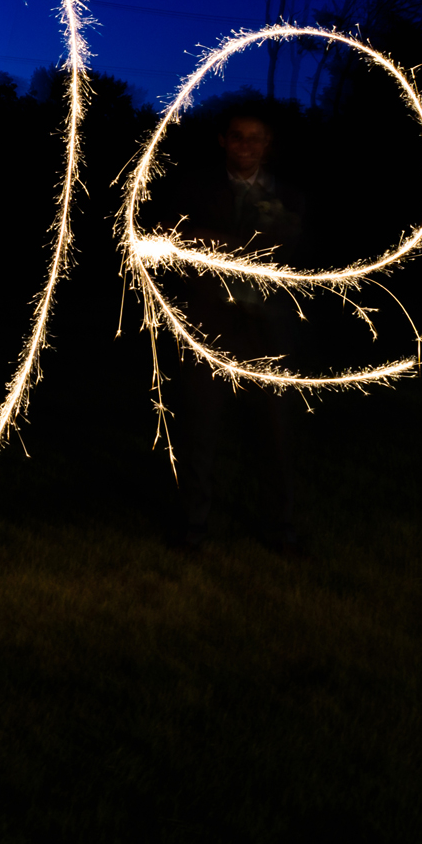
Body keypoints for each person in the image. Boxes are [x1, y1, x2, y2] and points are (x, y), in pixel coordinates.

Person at [165, 107, 306, 554]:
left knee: (276, 435)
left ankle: (280, 530)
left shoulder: (290, 194)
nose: (247, 146)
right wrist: (237, 246)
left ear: (269, 144)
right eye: (239, 137)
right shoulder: (194, 187)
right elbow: (174, 237)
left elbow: (297, 253)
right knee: (200, 431)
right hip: (210, 326)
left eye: (256, 138)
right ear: (223, 140)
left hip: (269, 331)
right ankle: (192, 530)